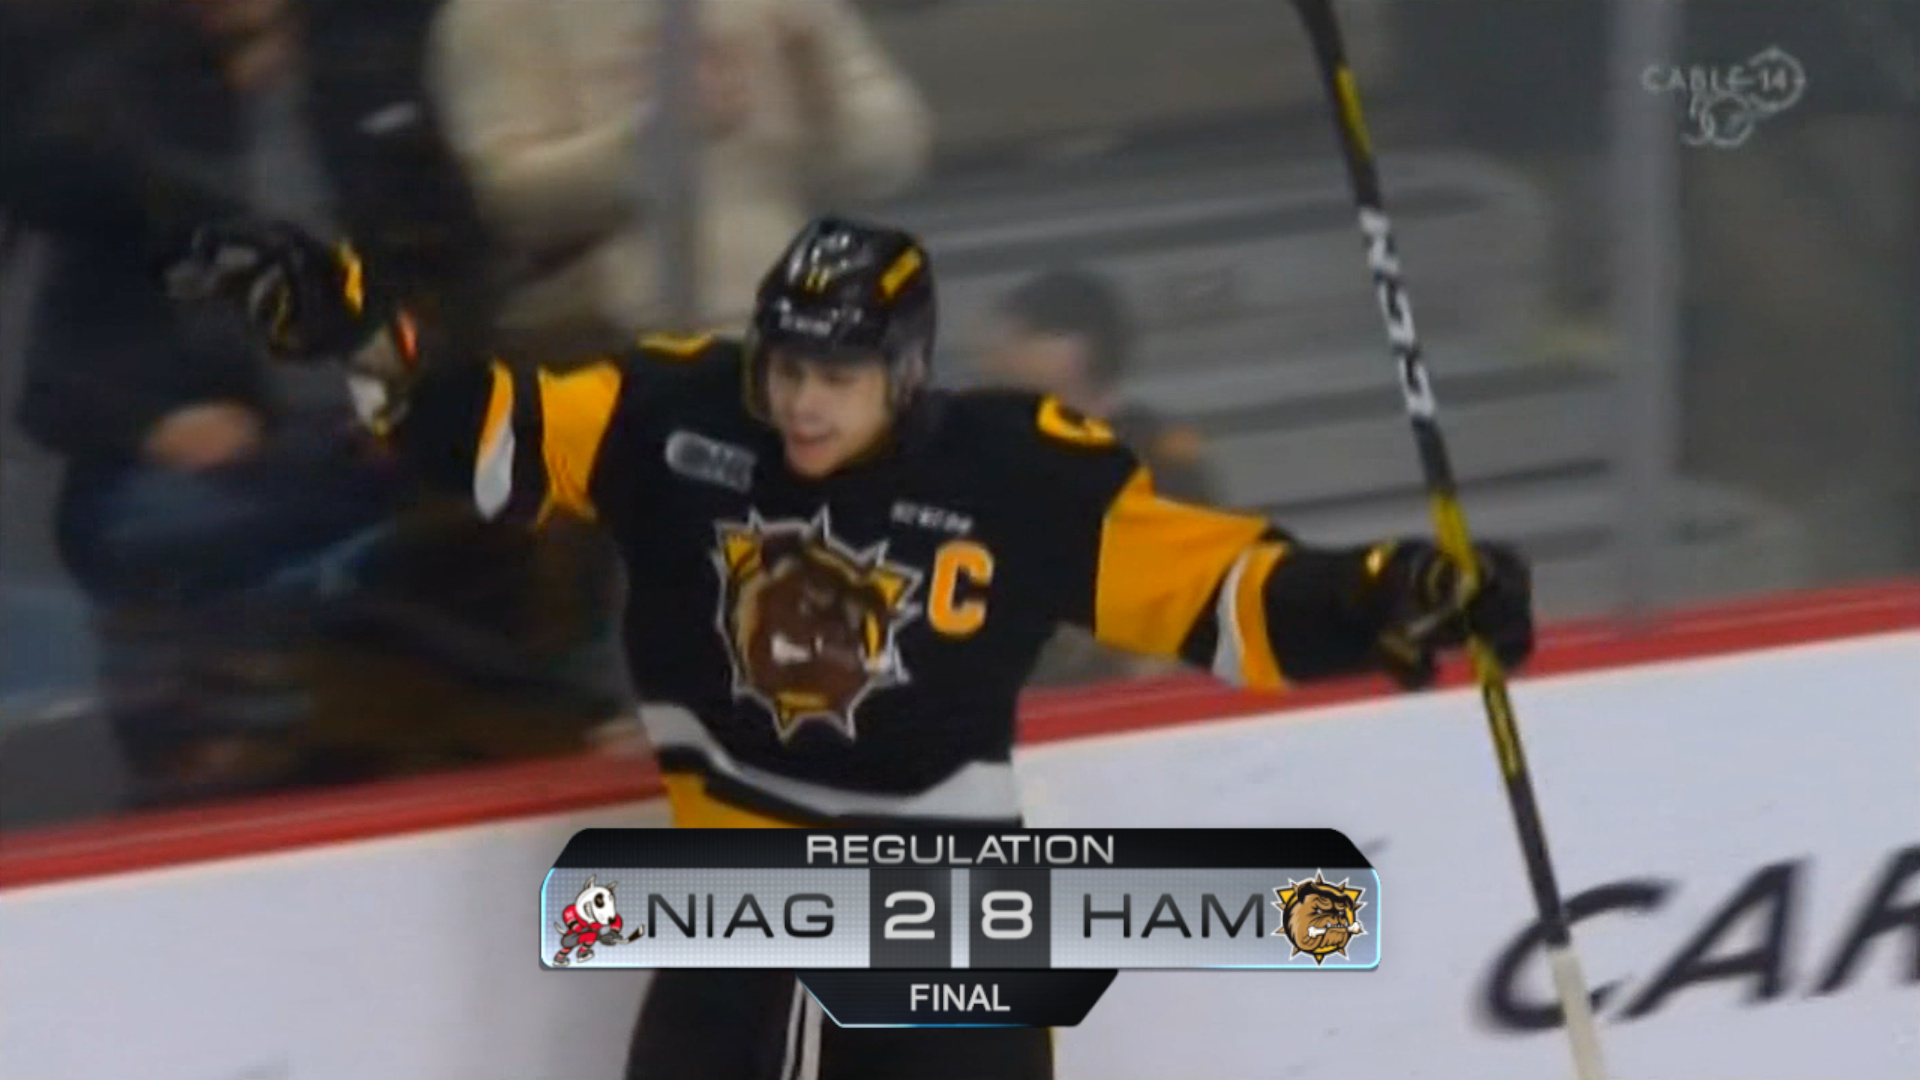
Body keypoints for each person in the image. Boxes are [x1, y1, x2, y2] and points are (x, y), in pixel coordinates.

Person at [165, 213, 1538, 1080]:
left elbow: (1223, 595)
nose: (803, 404)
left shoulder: (1016, 475)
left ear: (909, 368)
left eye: (838, 377)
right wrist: (365, 333)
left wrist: (1394, 594)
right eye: (787, 369)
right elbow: (493, 428)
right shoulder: (675, 415)